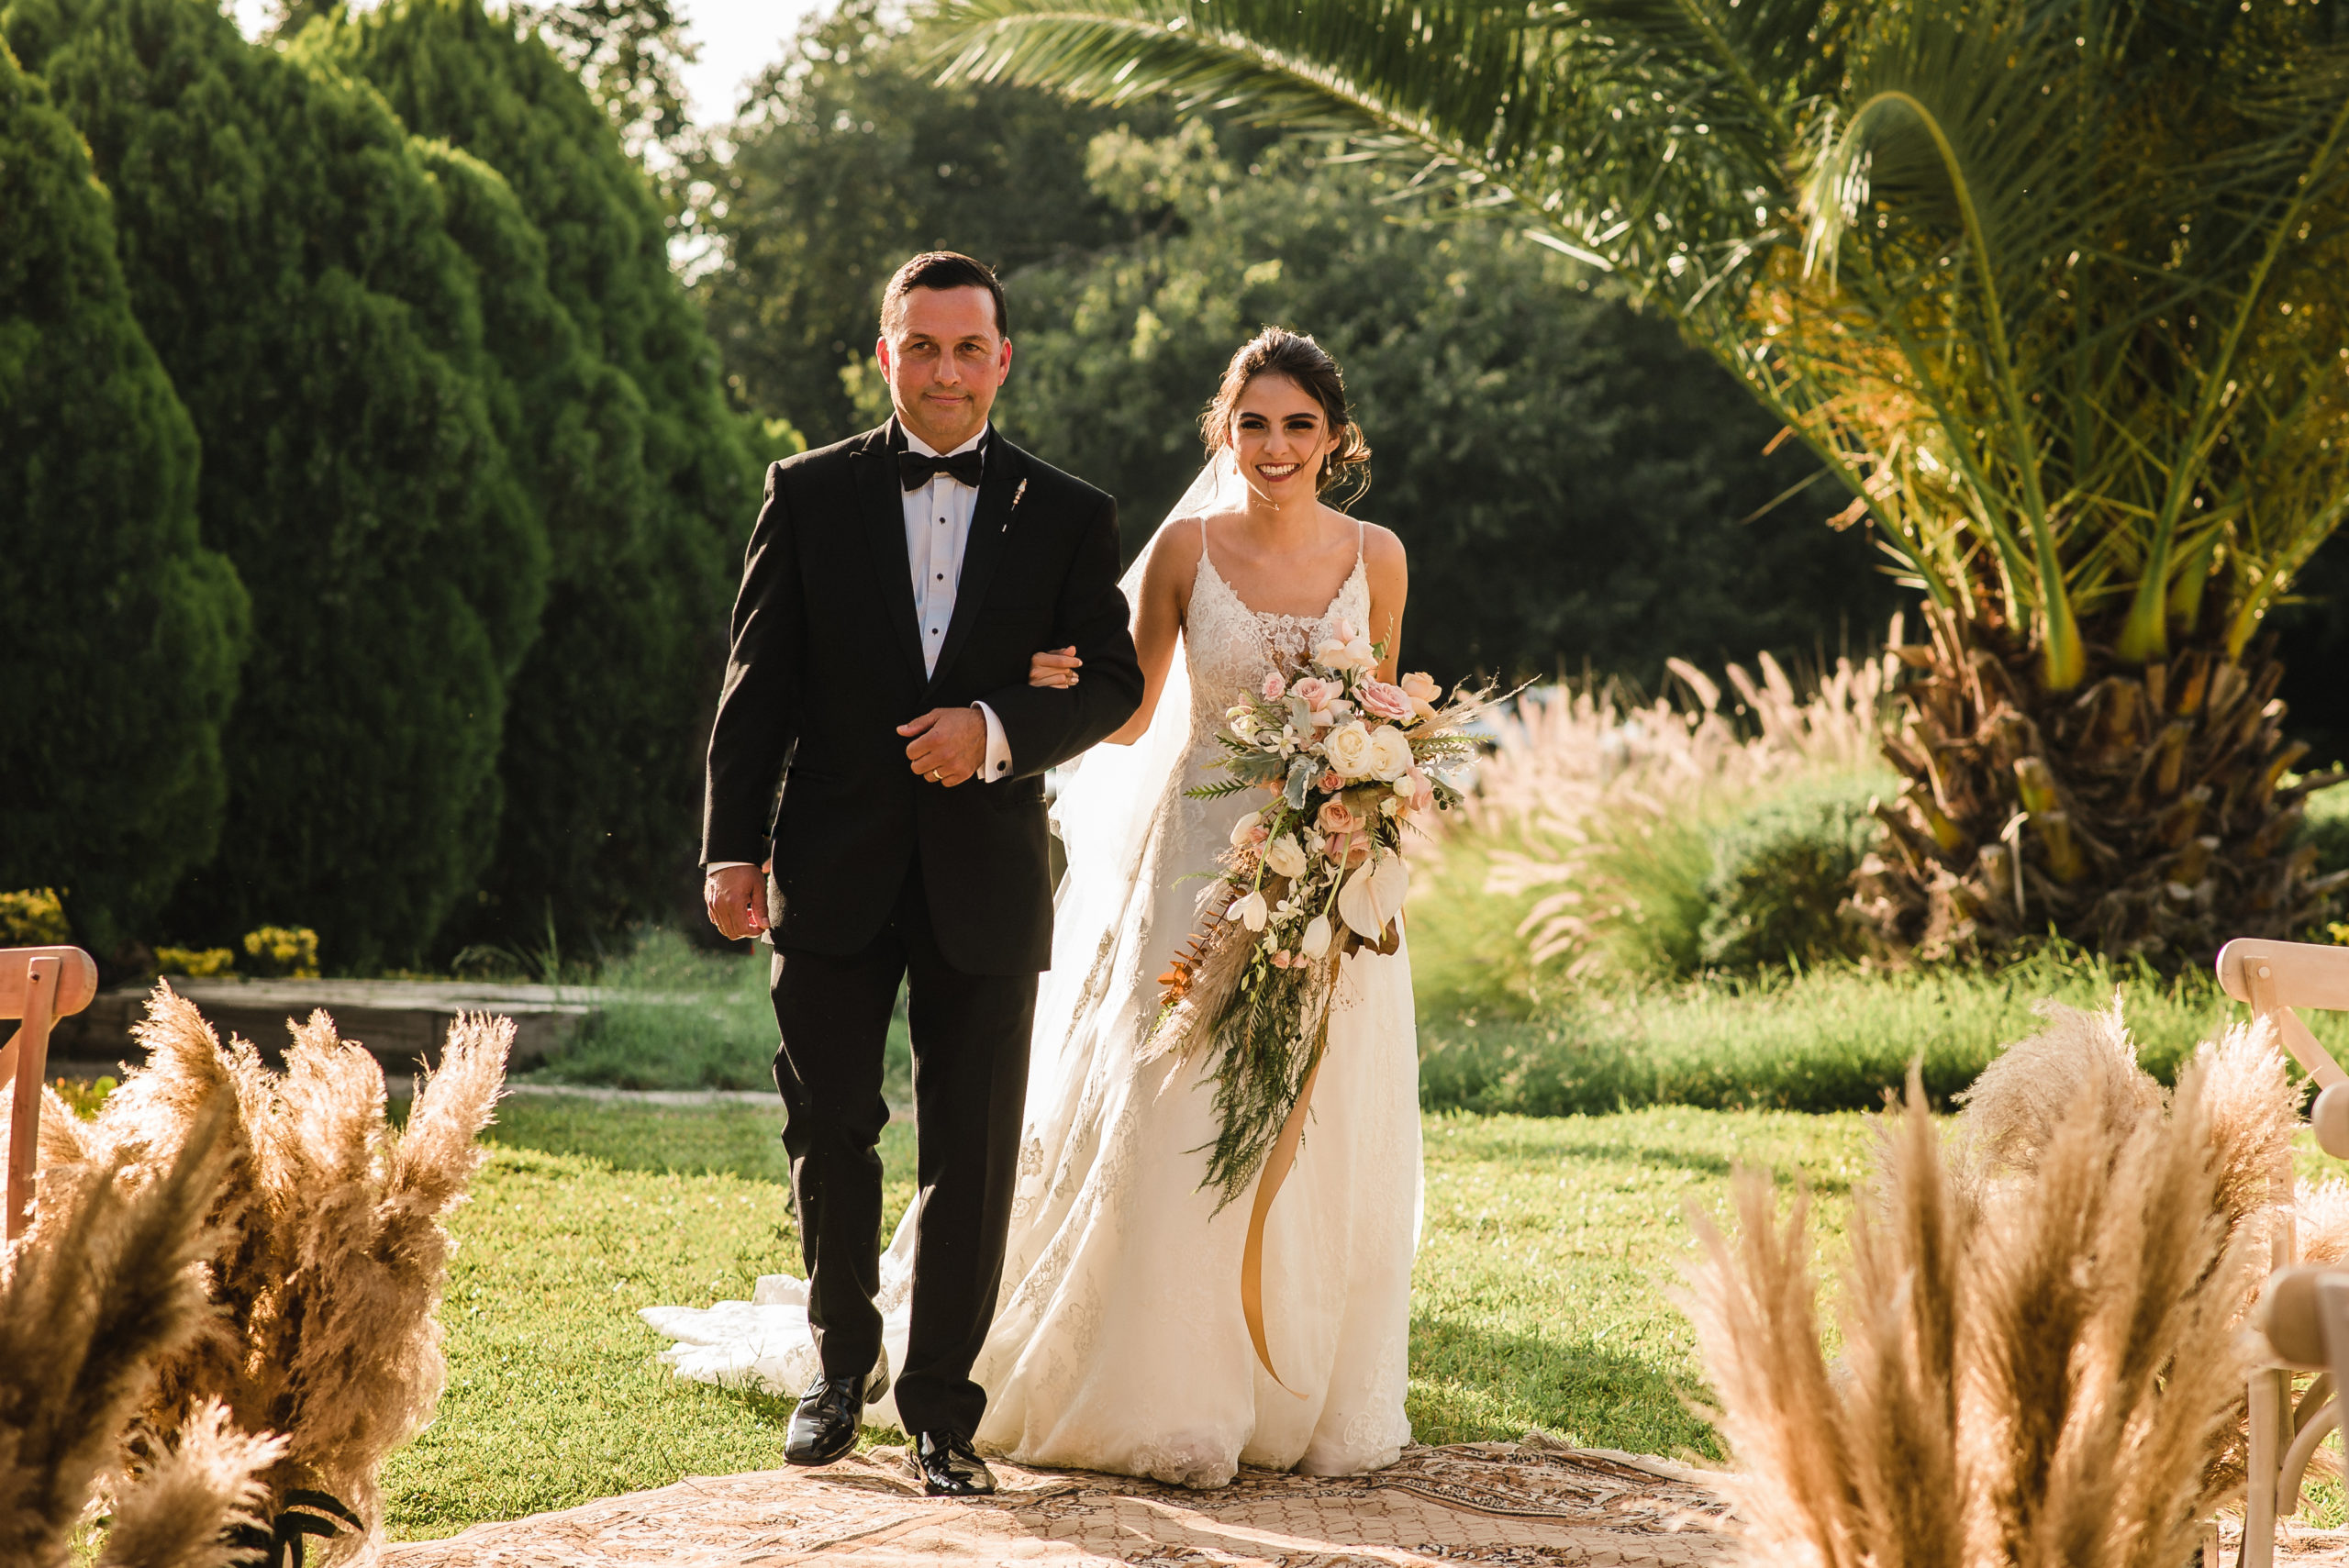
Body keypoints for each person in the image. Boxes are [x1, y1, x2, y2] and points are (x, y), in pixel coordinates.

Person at [656, 325, 1419, 1490]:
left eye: (1298, 424)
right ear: (1226, 429)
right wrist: (1042, 684)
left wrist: (1357, 802)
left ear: (1335, 435)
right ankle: (1129, 1382)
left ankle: (1283, 1378)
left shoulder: (1375, 554)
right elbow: (1126, 704)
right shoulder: (1170, 549)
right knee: (1144, 1118)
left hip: (1324, 876)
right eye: (1254, 422)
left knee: (1300, 1125)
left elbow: (1376, 708)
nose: (1274, 445)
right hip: (1189, 869)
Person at [694, 250, 1143, 1497]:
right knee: (829, 1125)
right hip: (829, 868)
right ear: (885, 355)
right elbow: (758, 684)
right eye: (922, 346)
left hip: (989, 875)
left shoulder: (1068, 512)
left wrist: (994, 730)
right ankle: (840, 1372)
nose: (946, 370)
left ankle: (942, 1409)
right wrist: (734, 849)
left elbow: (1113, 679)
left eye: (968, 347)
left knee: (974, 1147)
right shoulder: (809, 491)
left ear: (1002, 359)